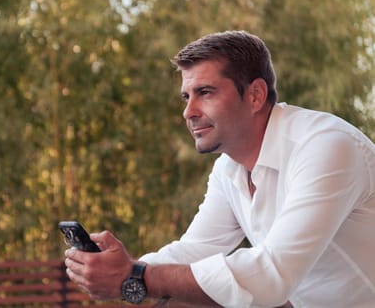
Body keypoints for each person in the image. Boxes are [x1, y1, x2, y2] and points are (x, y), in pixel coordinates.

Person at [64, 31, 375, 307]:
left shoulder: (325, 146)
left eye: (206, 92)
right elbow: (196, 250)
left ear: (255, 95)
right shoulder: (229, 169)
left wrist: (136, 277)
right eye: (187, 96)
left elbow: (272, 275)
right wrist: (126, 270)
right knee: (183, 298)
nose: (189, 111)